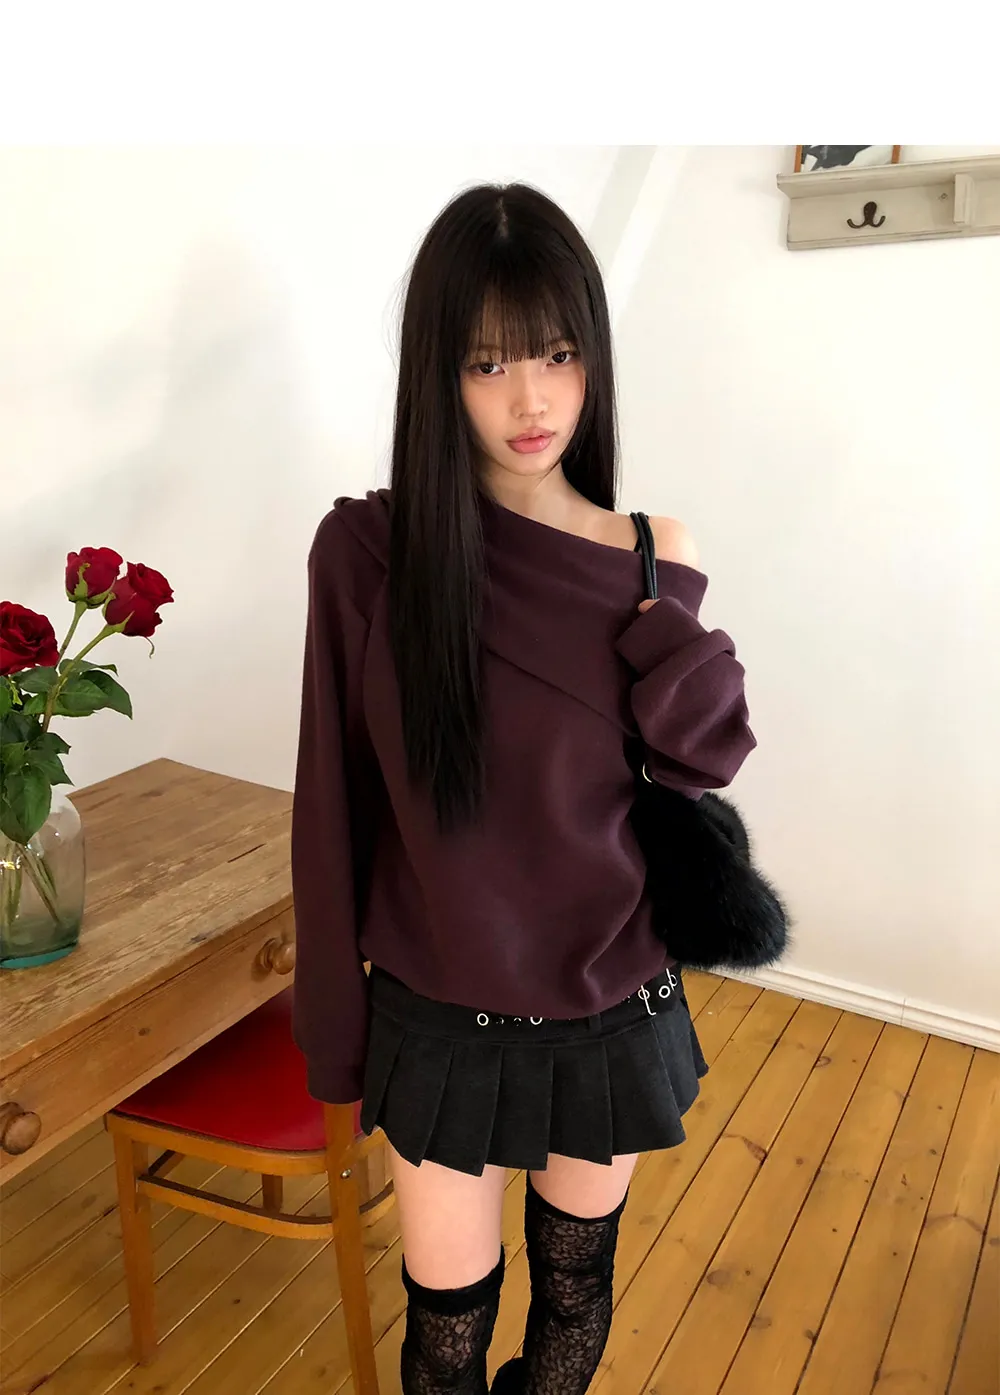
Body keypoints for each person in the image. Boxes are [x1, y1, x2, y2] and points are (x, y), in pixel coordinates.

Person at [290, 182, 756, 1395]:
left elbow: (694, 768)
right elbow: (330, 809)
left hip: (612, 1001)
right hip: (443, 1013)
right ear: (437, 376)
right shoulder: (369, 556)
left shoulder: (654, 552)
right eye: (489, 364)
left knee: (573, 1300)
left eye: (556, 354)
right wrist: (333, 1029)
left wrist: (668, 643)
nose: (532, 400)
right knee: (444, 1332)